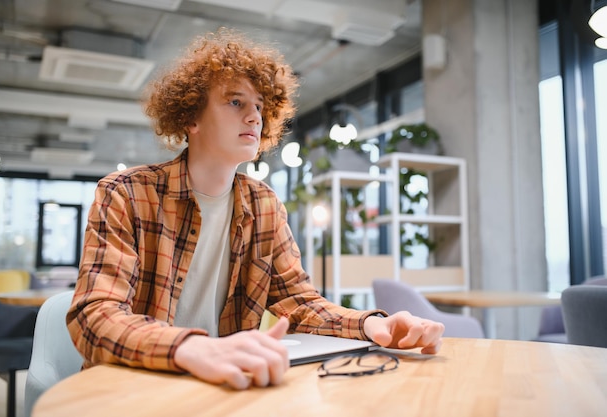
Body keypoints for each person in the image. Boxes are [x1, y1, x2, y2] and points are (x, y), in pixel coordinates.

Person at [66, 29, 445, 391]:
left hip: (224, 384)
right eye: (236, 102)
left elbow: (298, 303)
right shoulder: (126, 194)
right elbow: (94, 316)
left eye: (260, 107)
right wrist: (190, 347)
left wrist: (371, 326)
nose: (254, 117)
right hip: (136, 386)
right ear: (191, 117)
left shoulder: (263, 204)